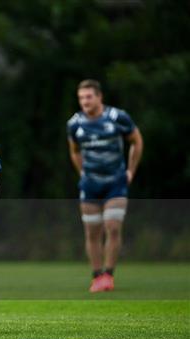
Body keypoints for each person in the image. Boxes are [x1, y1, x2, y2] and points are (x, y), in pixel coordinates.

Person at [67, 79, 143, 293]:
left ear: (100, 97)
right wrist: (82, 173)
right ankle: (97, 276)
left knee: (112, 227)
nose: (85, 101)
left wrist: (130, 171)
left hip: (115, 183)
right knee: (92, 232)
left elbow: (137, 141)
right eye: (81, 98)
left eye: (89, 97)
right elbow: (74, 150)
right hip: (90, 185)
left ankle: (109, 275)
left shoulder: (117, 117)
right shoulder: (75, 124)